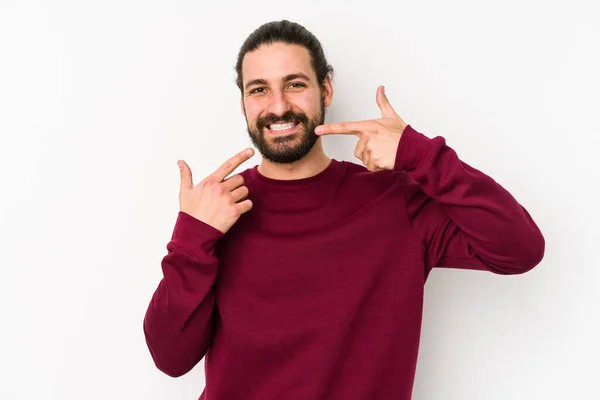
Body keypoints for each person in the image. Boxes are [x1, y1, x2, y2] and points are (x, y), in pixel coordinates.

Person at [143, 20, 545, 400]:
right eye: (259, 89)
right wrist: (191, 239)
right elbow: (171, 359)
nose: (278, 106)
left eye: (295, 84)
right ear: (244, 102)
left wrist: (422, 156)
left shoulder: (394, 201)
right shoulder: (220, 210)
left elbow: (520, 249)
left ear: (326, 90)